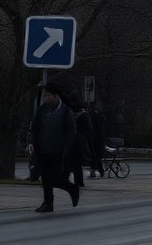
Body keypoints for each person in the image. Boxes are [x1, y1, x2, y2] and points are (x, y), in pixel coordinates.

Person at [27, 84, 79, 212]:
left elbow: (71, 132)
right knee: (45, 177)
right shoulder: (42, 109)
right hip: (42, 149)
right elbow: (35, 128)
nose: (46, 99)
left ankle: (72, 189)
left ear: (56, 96)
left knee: (55, 177)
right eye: (44, 96)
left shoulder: (66, 111)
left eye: (48, 96)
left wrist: (67, 148)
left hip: (58, 150)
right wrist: (32, 142)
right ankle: (48, 202)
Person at [71, 100, 92, 188]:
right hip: (79, 141)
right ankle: (79, 181)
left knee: (74, 163)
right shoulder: (84, 114)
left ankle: (77, 181)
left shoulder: (71, 113)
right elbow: (89, 130)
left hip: (72, 141)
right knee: (77, 164)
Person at [88, 106, 105, 179]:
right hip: (98, 141)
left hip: (94, 141)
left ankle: (95, 172)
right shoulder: (99, 119)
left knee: (94, 157)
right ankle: (100, 171)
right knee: (97, 158)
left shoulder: (92, 118)